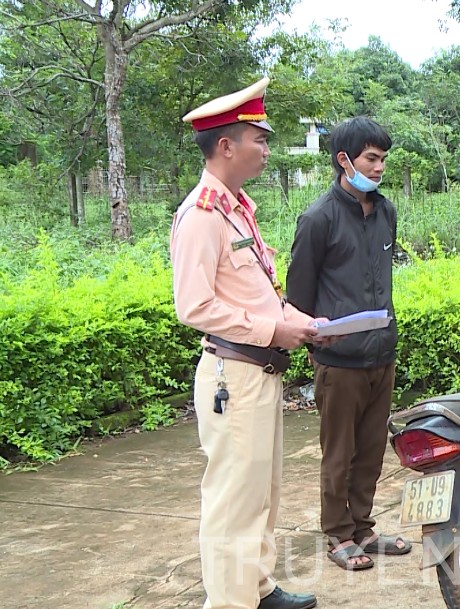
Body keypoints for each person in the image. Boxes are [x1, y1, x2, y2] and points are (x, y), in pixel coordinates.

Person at [171, 77, 325, 609]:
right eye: (259, 138)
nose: (266, 148)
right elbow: (194, 306)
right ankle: (230, 602)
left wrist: (299, 321)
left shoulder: (236, 208)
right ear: (225, 145)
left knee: (262, 492)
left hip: (258, 372)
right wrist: (273, 331)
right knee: (233, 501)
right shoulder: (201, 215)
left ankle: (257, 588)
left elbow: (258, 291)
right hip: (232, 376)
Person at [285, 117, 411, 571]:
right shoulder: (318, 218)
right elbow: (297, 296)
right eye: (370, 159)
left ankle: (363, 527)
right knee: (339, 454)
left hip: (381, 353)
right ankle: (338, 533)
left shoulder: (385, 212)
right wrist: (317, 345)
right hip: (338, 361)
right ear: (344, 160)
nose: (379, 168)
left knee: (372, 450)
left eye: (382, 160)